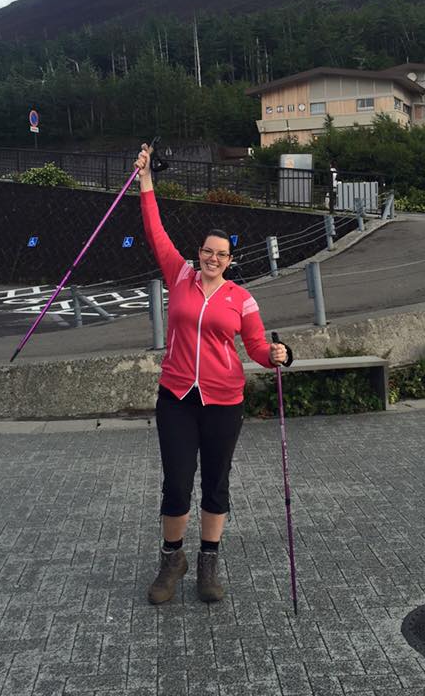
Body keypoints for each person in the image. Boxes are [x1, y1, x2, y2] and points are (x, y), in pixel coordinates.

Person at [135, 143, 290, 605]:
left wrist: (279, 354)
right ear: (198, 252)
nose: (212, 258)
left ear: (229, 259)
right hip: (177, 397)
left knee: (216, 483)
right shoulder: (178, 274)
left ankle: (207, 562)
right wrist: (146, 179)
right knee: (177, 482)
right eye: (207, 251)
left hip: (225, 401)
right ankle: (171, 560)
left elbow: (259, 348)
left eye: (221, 254)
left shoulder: (242, 298)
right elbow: (153, 228)